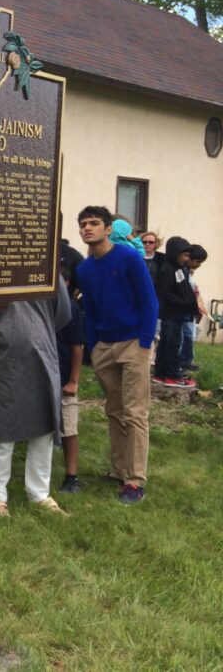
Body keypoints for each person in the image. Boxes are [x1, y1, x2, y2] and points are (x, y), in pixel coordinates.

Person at [75, 205, 158, 504]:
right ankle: (119, 470)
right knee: (114, 411)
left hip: (134, 341)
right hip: (104, 347)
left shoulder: (129, 258)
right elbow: (92, 309)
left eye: (94, 223)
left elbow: (149, 301)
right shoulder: (84, 269)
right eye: (83, 224)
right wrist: (94, 346)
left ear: (108, 228)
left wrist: (145, 342)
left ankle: (135, 481)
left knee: (135, 413)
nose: (88, 228)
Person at [0, 281, 72, 517]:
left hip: (42, 353)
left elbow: (62, 312)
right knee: (2, 427)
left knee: (43, 426)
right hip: (2, 356)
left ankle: (39, 493)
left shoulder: (47, 268)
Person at [153, 236, 197, 387]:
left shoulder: (177, 269)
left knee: (167, 342)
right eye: (184, 255)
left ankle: (161, 374)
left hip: (177, 314)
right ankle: (172, 376)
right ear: (175, 253)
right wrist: (184, 302)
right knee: (172, 344)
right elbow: (165, 293)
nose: (186, 259)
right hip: (171, 314)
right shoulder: (168, 269)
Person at [57, 288, 86, 494]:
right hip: (38, 377)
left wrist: (74, 381)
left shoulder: (70, 309)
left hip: (64, 378)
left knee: (69, 428)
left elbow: (77, 346)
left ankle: (71, 476)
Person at [180, 244, 208, 376]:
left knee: (189, 335)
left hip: (189, 309)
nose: (198, 265)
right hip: (182, 309)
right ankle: (181, 363)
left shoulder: (188, 272)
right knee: (182, 336)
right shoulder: (180, 270)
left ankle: (187, 361)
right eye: (197, 262)